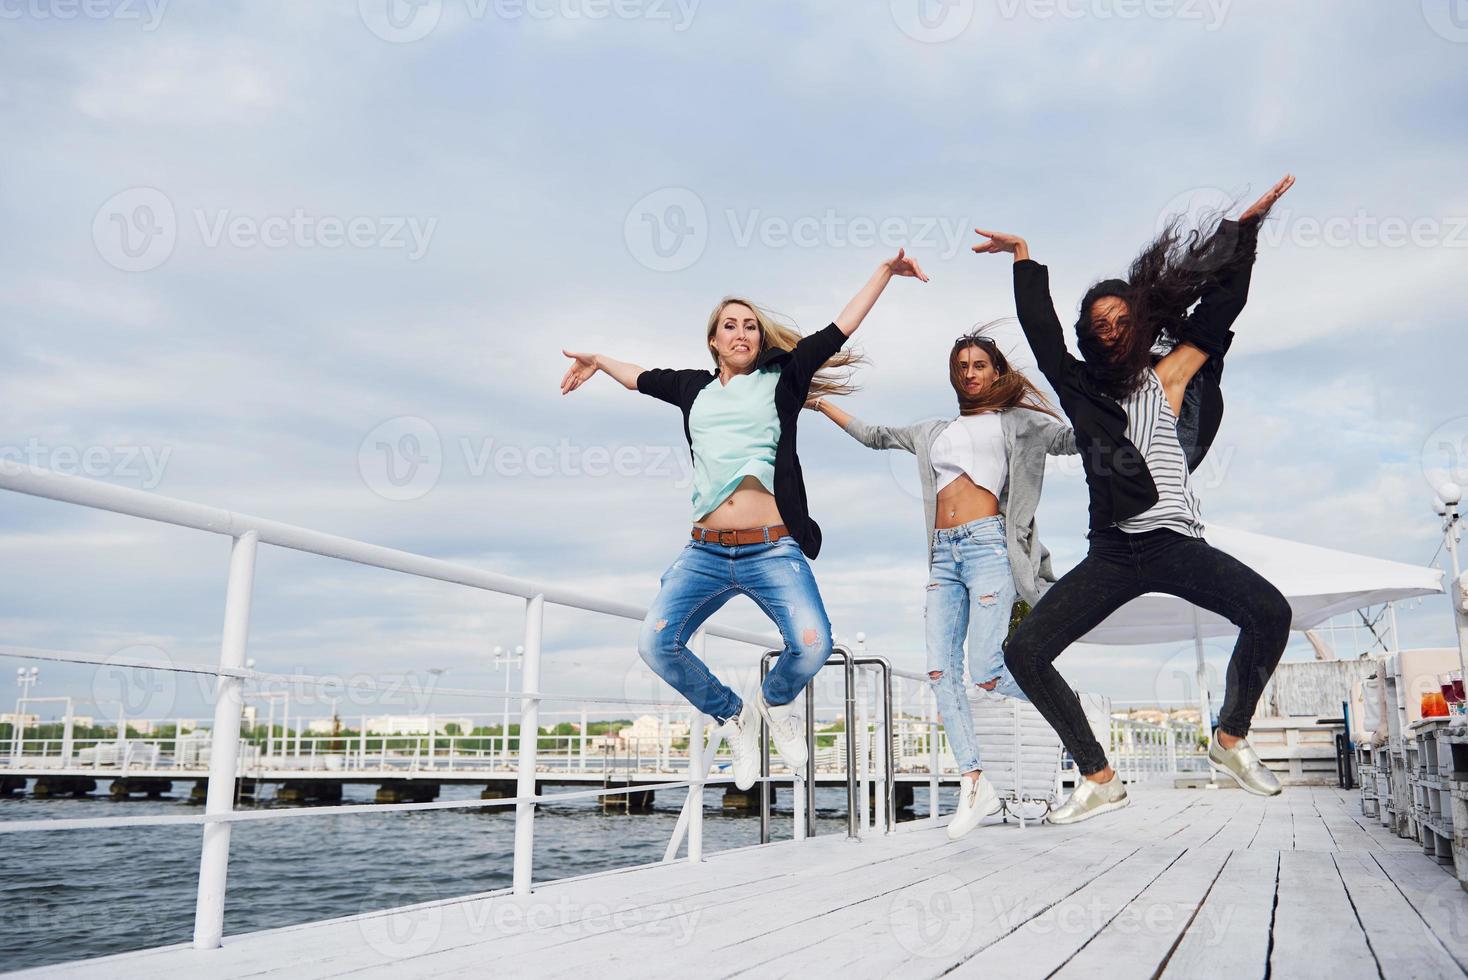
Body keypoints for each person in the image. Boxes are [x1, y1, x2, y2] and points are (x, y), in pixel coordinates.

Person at [972, 174, 1297, 824]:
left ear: (1139, 325)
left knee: (1271, 614)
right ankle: (1098, 776)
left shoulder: (1168, 373)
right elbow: (1041, 338)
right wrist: (1024, 259)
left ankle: (1229, 740)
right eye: (1101, 325)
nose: (1113, 331)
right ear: (1089, 336)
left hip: (1175, 543)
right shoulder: (1081, 389)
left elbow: (1221, 309)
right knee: (1024, 652)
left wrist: (1245, 233)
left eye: (1123, 321)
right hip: (1114, 554)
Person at [559, 251, 928, 789]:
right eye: (730, 325)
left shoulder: (784, 378)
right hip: (703, 552)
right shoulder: (693, 389)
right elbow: (639, 377)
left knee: (812, 644)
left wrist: (884, 274)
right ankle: (732, 715)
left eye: (750, 326)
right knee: (655, 643)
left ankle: (774, 704)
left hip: (772, 548)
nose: (741, 333)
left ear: (759, 339)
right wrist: (597, 358)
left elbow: (838, 329)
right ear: (714, 339)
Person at [811, 328, 1075, 839]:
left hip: (988, 548)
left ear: (996, 373)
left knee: (987, 671)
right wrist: (822, 405)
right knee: (940, 673)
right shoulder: (932, 430)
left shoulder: (1020, 424)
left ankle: (1071, 714)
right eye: (962, 366)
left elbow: (1072, 440)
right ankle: (974, 780)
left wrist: (1113, 407)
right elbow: (874, 435)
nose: (970, 373)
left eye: (979, 365)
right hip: (942, 557)